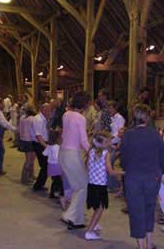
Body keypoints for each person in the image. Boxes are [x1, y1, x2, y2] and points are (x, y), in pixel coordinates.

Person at [120, 104, 164, 249]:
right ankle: (149, 244)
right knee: (149, 209)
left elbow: (123, 160)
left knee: (136, 211)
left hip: (133, 178)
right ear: (147, 116)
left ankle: (141, 246)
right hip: (152, 178)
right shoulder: (155, 134)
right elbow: (162, 158)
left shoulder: (128, 135)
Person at [59, 91, 90, 229]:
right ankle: (70, 215)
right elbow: (83, 139)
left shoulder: (66, 114)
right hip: (72, 154)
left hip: (63, 153)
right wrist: (94, 152)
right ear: (84, 104)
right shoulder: (80, 117)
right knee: (83, 186)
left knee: (78, 187)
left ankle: (77, 219)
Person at [85, 131, 124, 240]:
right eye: (109, 141)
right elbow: (111, 172)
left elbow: (87, 166)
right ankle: (89, 232)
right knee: (100, 208)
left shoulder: (91, 151)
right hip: (100, 185)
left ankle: (94, 223)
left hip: (91, 184)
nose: (111, 143)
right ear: (105, 143)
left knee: (96, 205)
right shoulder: (105, 153)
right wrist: (122, 172)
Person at [32, 103, 51, 191]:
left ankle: (39, 185)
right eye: (48, 110)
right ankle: (38, 186)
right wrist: (46, 146)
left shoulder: (43, 119)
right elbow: (38, 135)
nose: (49, 112)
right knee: (45, 165)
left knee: (46, 165)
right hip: (40, 144)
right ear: (43, 110)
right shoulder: (38, 119)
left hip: (42, 143)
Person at [43, 129, 63, 199]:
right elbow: (57, 158)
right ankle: (57, 194)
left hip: (50, 166)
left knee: (54, 180)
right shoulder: (57, 147)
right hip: (57, 166)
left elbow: (44, 153)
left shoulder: (50, 146)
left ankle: (52, 194)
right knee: (59, 181)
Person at [19, 107, 36, 184]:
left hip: (24, 140)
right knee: (30, 160)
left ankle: (31, 175)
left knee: (29, 160)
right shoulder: (32, 119)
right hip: (31, 140)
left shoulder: (22, 118)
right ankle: (25, 178)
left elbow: (20, 129)